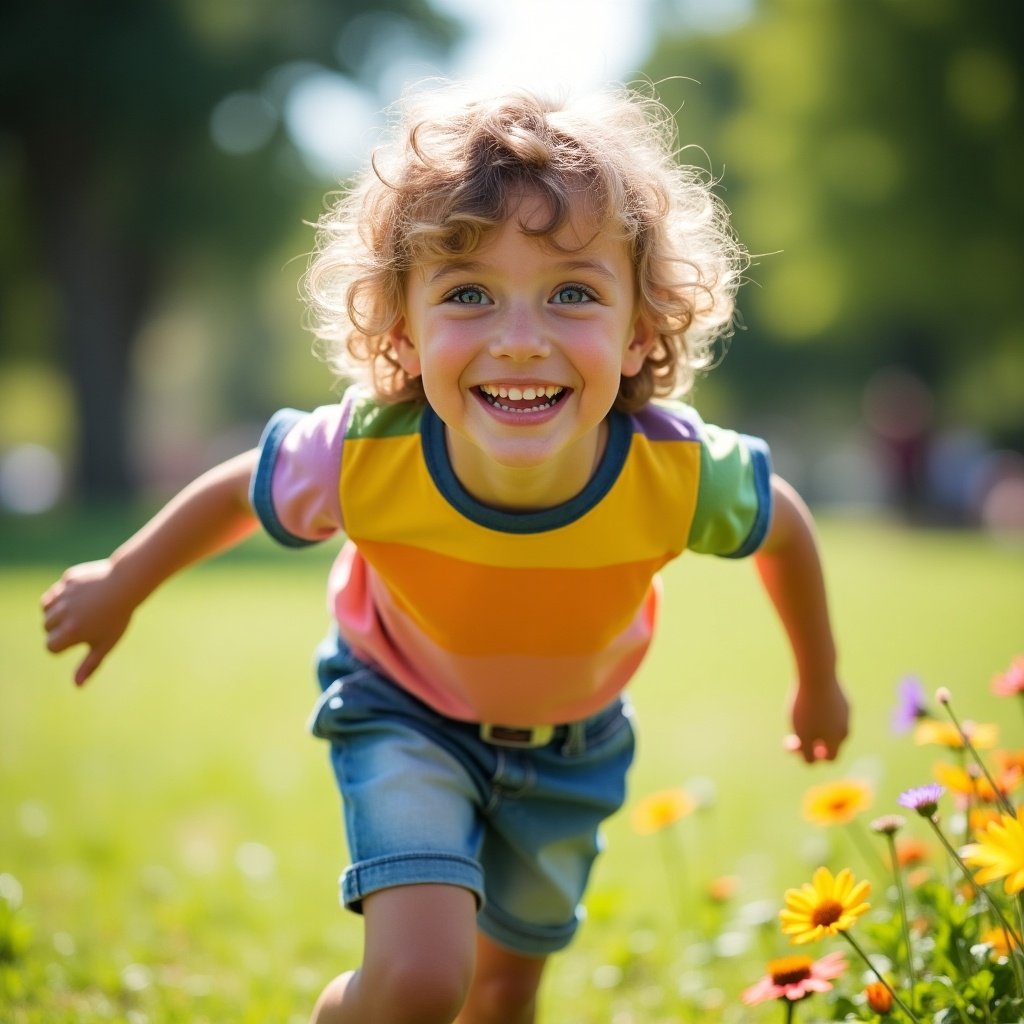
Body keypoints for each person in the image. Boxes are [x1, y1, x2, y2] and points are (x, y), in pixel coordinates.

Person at [41, 81, 850, 1024]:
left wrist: (818, 681)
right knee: (423, 981)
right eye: (468, 293)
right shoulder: (368, 451)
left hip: (574, 748)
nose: (519, 340)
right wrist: (122, 582)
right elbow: (239, 492)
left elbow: (782, 524)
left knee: (503, 992)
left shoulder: (672, 472)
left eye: (572, 294)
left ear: (638, 332)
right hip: (404, 713)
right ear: (403, 331)